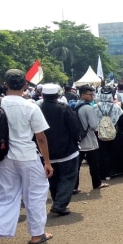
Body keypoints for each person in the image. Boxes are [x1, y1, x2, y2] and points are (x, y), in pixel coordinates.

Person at [0, 69, 53, 244]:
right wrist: (48, 162)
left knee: (5, 195)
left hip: (3, 156)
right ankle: (37, 234)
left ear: (5, 84)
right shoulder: (31, 106)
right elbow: (41, 137)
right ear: (25, 85)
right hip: (27, 155)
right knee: (35, 194)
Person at [38, 84, 81, 216]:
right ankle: (59, 204)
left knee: (53, 178)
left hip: (45, 152)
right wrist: (77, 140)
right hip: (66, 150)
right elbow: (74, 128)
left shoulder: (36, 108)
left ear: (43, 95)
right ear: (57, 95)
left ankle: (58, 201)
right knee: (68, 177)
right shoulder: (64, 108)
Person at [74, 86, 109, 191]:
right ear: (83, 95)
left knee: (76, 166)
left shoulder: (74, 105)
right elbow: (94, 125)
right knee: (94, 164)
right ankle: (96, 183)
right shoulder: (88, 108)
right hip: (89, 140)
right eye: (90, 95)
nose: (92, 97)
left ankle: (74, 187)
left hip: (78, 140)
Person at [96, 88, 123, 179]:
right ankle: (115, 170)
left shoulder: (95, 107)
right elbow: (122, 122)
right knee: (115, 152)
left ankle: (104, 172)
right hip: (115, 133)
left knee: (102, 153)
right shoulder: (116, 107)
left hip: (100, 133)